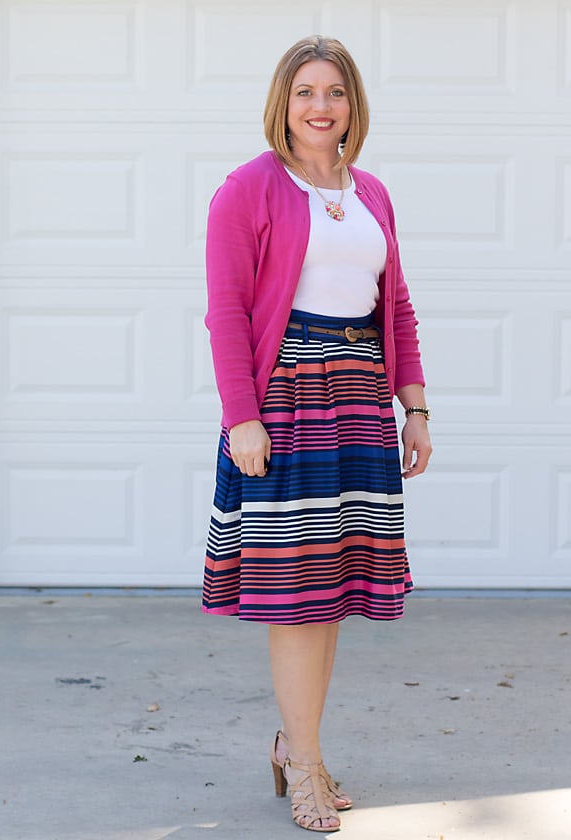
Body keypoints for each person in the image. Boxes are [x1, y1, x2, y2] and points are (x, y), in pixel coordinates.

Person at [201, 35, 432, 833]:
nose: (320, 106)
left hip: (361, 396)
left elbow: (393, 304)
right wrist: (241, 418)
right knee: (295, 598)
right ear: (283, 101)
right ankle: (303, 764)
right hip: (288, 399)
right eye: (305, 91)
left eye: (334, 91)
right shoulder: (248, 190)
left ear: (351, 105)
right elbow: (227, 311)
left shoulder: (370, 192)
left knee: (329, 593)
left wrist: (417, 407)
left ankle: (298, 745)